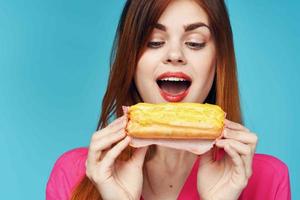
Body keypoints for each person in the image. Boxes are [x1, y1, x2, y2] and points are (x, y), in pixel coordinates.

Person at [46, 0, 291, 199]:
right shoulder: (75, 174)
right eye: (154, 42)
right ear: (130, 61)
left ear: (218, 61)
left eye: (195, 43)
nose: (175, 55)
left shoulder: (268, 179)